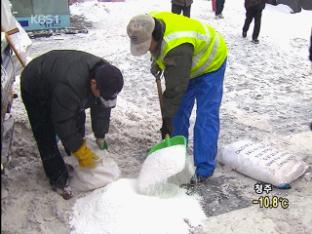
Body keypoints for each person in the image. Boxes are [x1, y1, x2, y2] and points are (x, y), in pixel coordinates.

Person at [127, 12, 227, 184]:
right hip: (186, 61)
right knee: (179, 112)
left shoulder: (177, 47)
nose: (147, 49)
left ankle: (204, 168)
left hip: (210, 63)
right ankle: (175, 155)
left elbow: (175, 91)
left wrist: (166, 121)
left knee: (205, 116)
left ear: (155, 36)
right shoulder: (147, 23)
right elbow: (160, 49)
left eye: (147, 45)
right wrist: (156, 62)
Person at [20, 50, 124, 199]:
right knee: (45, 133)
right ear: (93, 84)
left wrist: (100, 134)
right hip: (36, 84)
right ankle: (58, 180)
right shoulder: (71, 86)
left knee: (77, 119)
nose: (103, 97)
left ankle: (73, 159)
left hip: (61, 82)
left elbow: (102, 106)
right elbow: (63, 122)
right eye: (101, 94)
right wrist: (79, 149)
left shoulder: (107, 76)